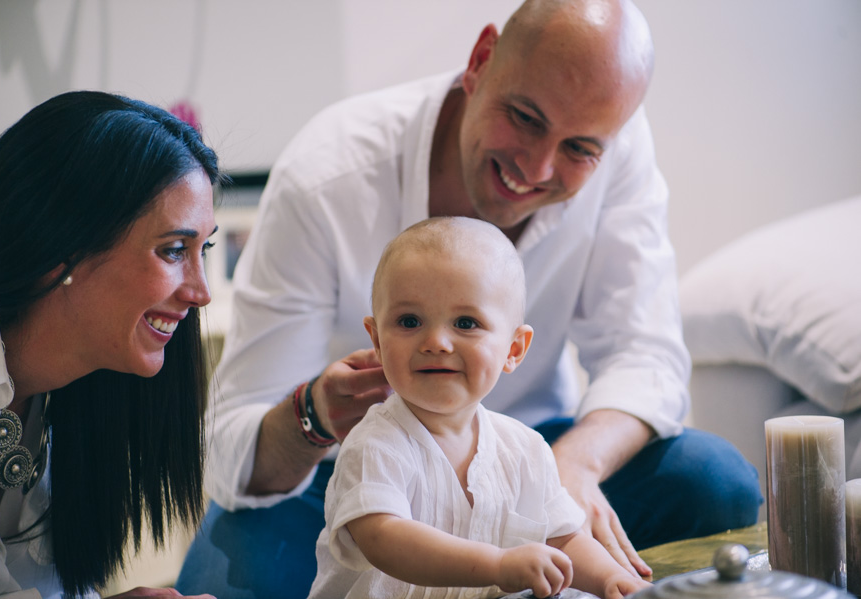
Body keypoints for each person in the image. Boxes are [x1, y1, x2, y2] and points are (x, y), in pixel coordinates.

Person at [179, 0, 763, 597]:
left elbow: (647, 356)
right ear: (481, 61)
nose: (536, 168)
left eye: (579, 150)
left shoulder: (618, 144)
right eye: (526, 118)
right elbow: (231, 445)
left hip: (533, 446)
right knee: (228, 582)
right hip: (331, 481)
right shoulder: (328, 174)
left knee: (713, 480)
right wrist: (315, 416)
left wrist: (573, 472)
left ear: (516, 348)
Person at [0, 91, 222, 599]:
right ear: (60, 245)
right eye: (173, 250)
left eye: (203, 250)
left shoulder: (80, 392)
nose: (202, 292)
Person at [309, 217, 651, 599]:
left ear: (513, 349)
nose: (436, 341)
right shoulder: (374, 444)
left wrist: (610, 579)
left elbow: (564, 538)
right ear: (376, 338)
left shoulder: (524, 449)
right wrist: (499, 565)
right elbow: (384, 538)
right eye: (409, 321)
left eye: (465, 322)